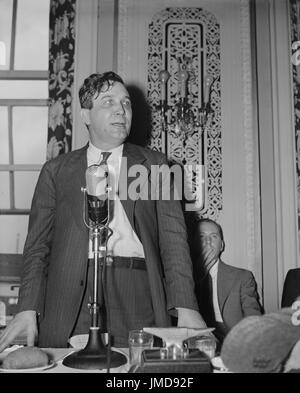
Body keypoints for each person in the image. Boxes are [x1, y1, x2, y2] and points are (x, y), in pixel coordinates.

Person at [0, 71, 206, 351]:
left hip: (137, 292)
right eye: (108, 101)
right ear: (86, 115)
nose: (121, 110)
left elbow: (174, 242)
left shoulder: (154, 165)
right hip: (70, 299)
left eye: (126, 103)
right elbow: (37, 249)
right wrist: (27, 307)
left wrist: (185, 305)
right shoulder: (56, 171)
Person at [191, 218, 263, 343]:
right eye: (201, 236)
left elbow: (253, 318)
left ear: (222, 245)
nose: (208, 241)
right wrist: (195, 279)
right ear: (193, 244)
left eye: (213, 236)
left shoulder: (242, 277)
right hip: (197, 342)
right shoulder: (185, 279)